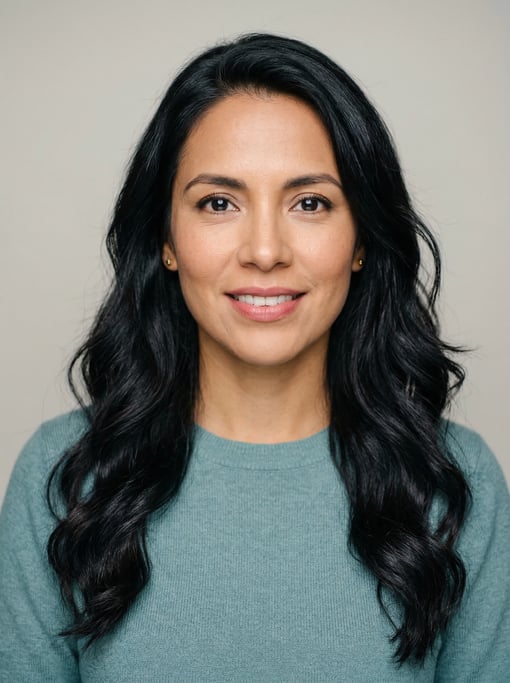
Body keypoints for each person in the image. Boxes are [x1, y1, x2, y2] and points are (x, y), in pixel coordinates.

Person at [0, 33, 508, 682]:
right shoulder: (64, 479)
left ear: (360, 239)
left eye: (310, 202)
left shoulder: (456, 484)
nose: (265, 250)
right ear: (167, 239)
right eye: (219, 202)